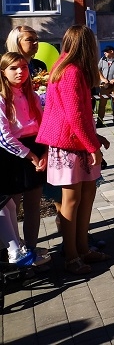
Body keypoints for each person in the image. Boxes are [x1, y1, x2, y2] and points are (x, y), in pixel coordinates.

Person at [37, 26, 111, 273]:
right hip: (67, 144)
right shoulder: (69, 71)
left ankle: (83, 248)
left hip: (79, 141)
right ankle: (71, 255)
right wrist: (93, 145)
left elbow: (80, 115)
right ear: (88, 45)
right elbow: (75, 114)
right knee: (71, 200)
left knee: (87, 196)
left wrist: (95, 138)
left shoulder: (73, 68)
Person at [0, 52, 49, 266]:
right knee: (12, 206)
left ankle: (30, 248)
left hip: (36, 148)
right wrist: (30, 156)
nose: (20, 71)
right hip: (14, 155)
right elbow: (3, 136)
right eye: (14, 68)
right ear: (3, 72)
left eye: (24, 67)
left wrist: (45, 152)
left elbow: (43, 123)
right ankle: (13, 251)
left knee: (33, 205)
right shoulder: (2, 97)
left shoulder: (32, 95)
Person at [97, 46, 114, 126]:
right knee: (102, 104)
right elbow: (98, 70)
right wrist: (103, 79)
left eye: (106, 51)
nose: (104, 53)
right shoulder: (102, 59)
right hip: (105, 85)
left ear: (111, 51)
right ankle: (100, 121)